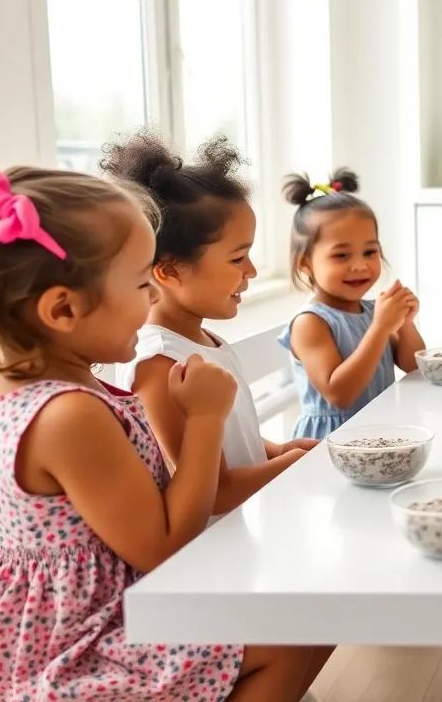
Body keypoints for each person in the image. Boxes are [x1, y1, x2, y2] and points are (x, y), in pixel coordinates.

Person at [0, 164, 329, 700]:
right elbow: (168, 545)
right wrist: (204, 419)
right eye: (141, 284)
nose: (152, 303)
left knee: (309, 613)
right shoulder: (67, 416)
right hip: (83, 646)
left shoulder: (35, 392)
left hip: (105, 615)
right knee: (290, 633)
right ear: (63, 308)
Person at [107, 133, 316, 520]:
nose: (252, 271)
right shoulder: (159, 363)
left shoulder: (203, 340)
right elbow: (213, 492)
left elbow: (232, 440)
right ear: (169, 271)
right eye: (238, 258)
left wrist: (279, 451)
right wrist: (293, 466)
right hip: (212, 551)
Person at [279, 169, 424, 439]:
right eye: (341, 255)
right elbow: (339, 394)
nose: (359, 266)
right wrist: (381, 328)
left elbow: (414, 366)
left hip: (379, 433)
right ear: (306, 264)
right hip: (332, 443)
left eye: (370, 252)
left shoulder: (370, 312)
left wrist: (404, 324)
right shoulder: (310, 322)